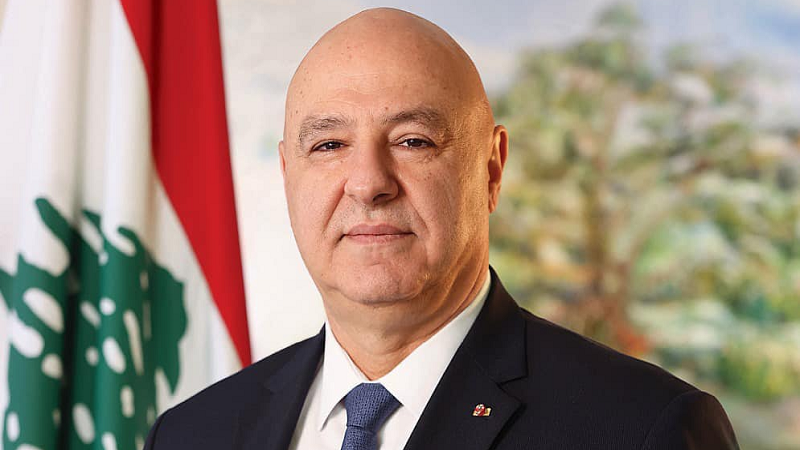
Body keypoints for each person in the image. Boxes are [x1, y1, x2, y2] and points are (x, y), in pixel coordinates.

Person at [144, 8, 739, 450]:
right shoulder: (192, 434)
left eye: (413, 141)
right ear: (287, 174)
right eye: (329, 145)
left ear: (491, 169)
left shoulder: (644, 428)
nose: (368, 183)